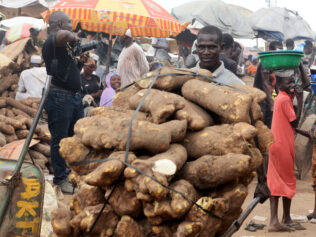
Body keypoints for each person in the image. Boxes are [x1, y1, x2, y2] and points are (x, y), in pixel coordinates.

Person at [42, 11, 88, 193]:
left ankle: (70, 174)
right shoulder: (52, 40)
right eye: (69, 22)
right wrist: (75, 36)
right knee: (60, 140)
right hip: (60, 97)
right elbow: (64, 35)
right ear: (59, 23)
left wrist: (79, 63)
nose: (71, 25)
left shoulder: (63, 46)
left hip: (73, 97)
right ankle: (60, 178)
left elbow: (65, 70)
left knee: (73, 139)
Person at [267, 70, 307, 232]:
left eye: (293, 81)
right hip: (282, 145)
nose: (292, 85)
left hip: (280, 143)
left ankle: (286, 218)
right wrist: (300, 99)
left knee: (282, 179)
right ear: (279, 85)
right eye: (289, 82)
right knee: (284, 180)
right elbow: (295, 122)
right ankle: (274, 221)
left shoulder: (283, 97)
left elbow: (303, 85)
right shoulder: (284, 100)